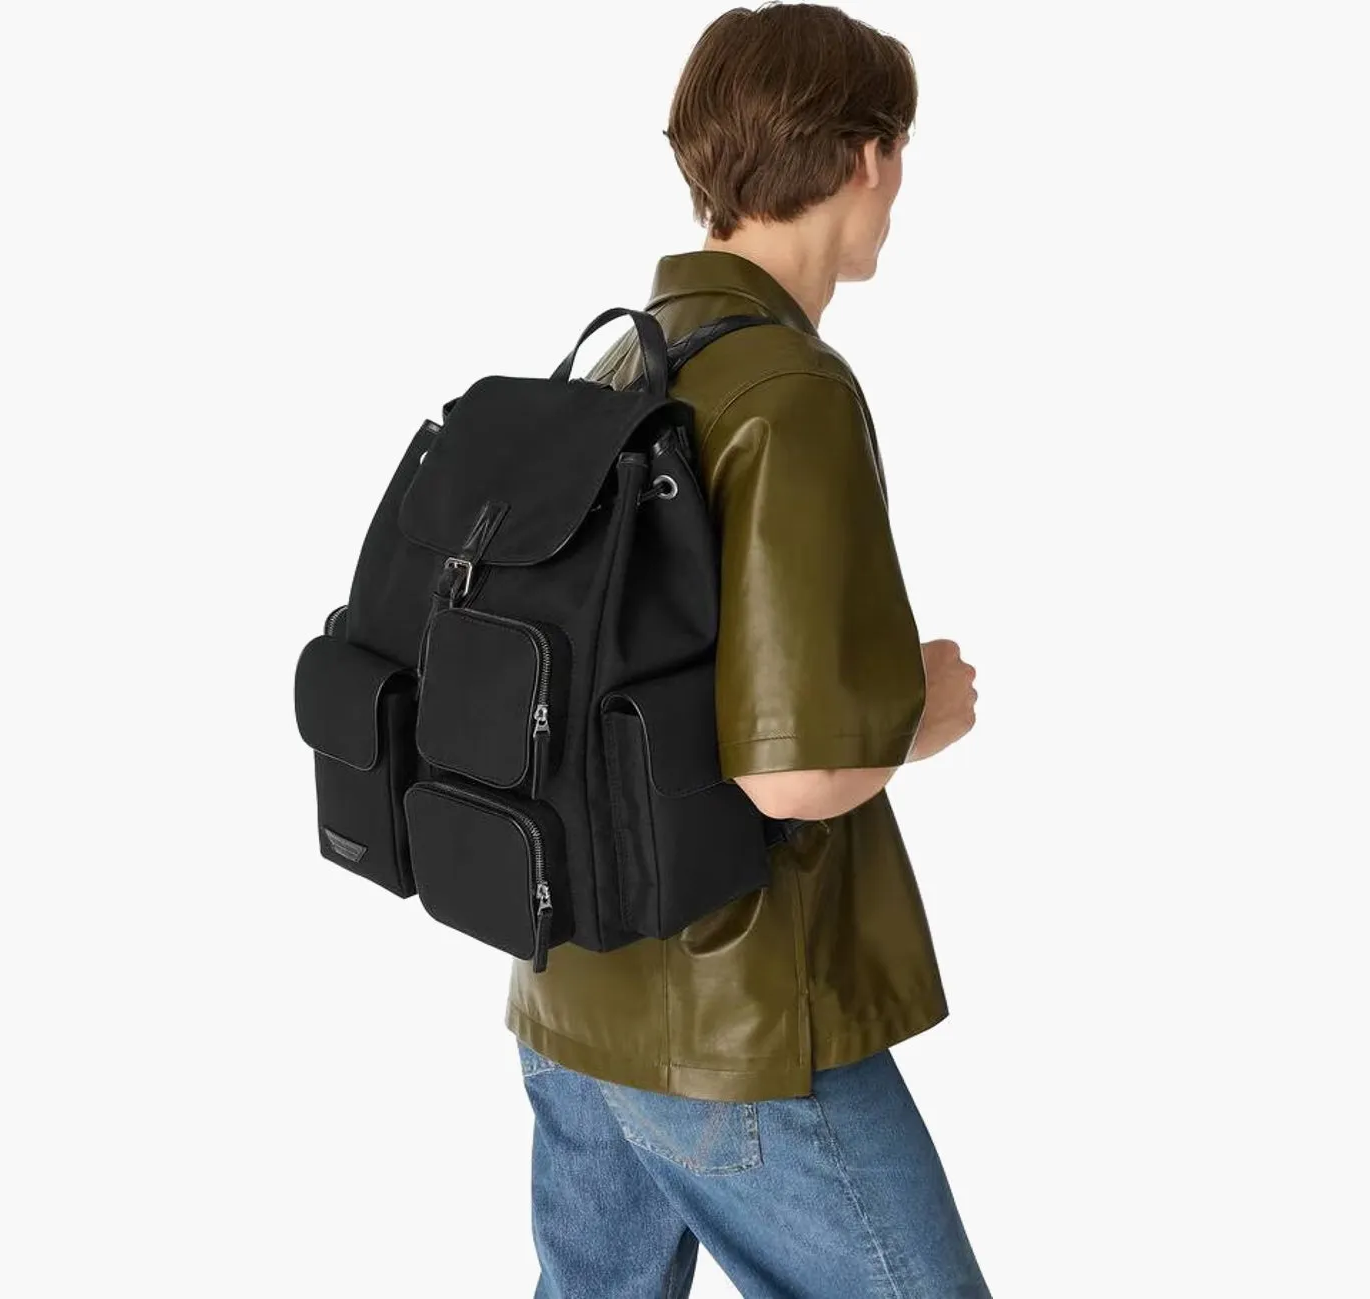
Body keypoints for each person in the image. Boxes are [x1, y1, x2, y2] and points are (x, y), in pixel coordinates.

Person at [502, 6, 991, 1297]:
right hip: (737, 1021)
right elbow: (794, 776)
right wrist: (918, 709)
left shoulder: (620, 355)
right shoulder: (788, 391)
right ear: (871, 155)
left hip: (574, 986)